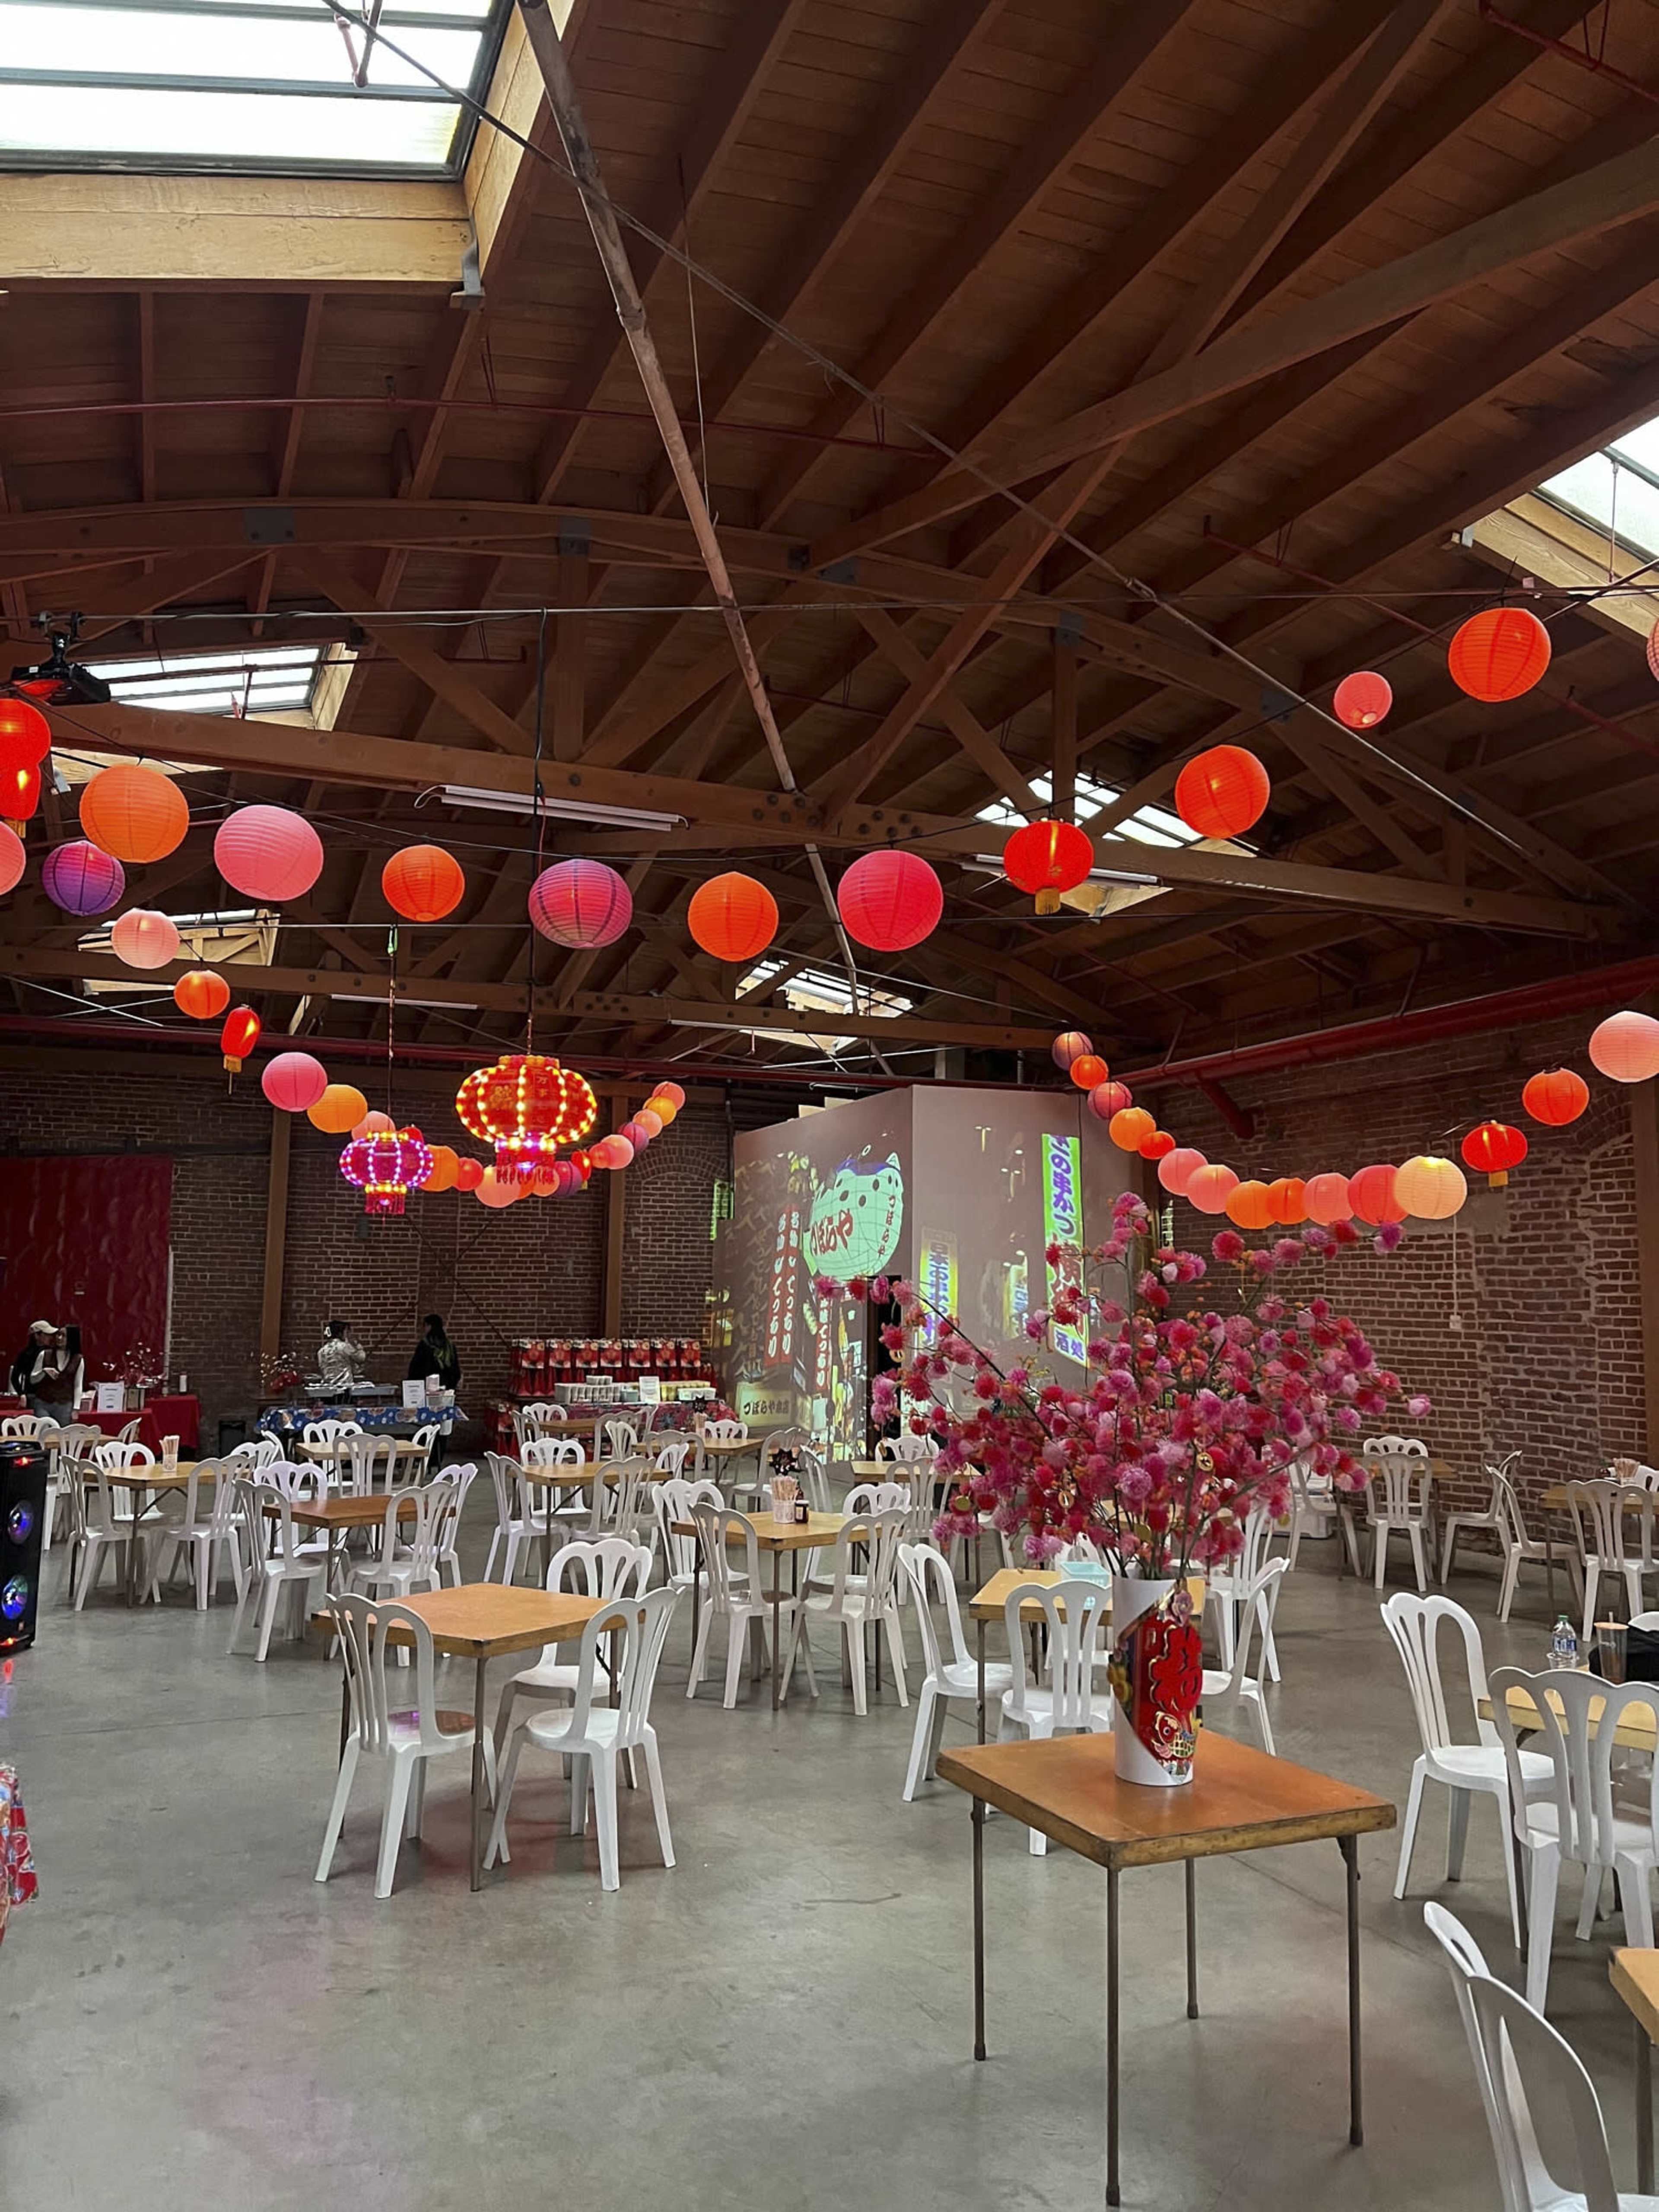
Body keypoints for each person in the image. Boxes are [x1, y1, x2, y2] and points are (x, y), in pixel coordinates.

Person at [11, 1321, 80, 1422]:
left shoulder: (53, 1352)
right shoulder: (26, 1355)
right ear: (37, 1336)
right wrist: (22, 1394)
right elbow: (15, 1377)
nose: (52, 1338)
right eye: (47, 1335)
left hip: (56, 1397)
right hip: (34, 1395)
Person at [407, 1314, 460, 1393]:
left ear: (430, 1326)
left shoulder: (425, 1345)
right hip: (446, 1389)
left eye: (425, 1326)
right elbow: (455, 1371)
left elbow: (416, 1368)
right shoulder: (449, 1346)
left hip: (427, 1388)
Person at [316, 1320, 367, 1395]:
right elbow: (361, 1358)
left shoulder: (322, 1351)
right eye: (346, 1332)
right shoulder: (344, 1347)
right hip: (344, 1389)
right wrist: (359, 1347)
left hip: (327, 1391)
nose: (348, 1335)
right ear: (340, 1333)